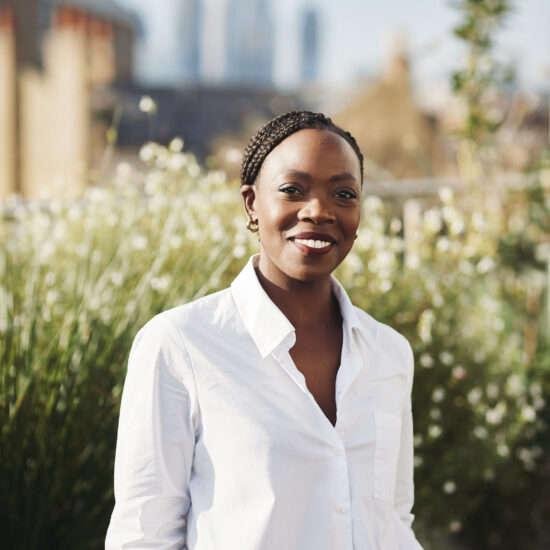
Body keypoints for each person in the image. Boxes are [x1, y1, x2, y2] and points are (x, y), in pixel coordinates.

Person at [105, 111, 424, 549]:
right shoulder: (180, 344)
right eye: (293, 190)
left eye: (344, 193)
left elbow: (393, 520)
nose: (318, 211)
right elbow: (143, 536)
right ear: (252, 203)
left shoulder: (389, 352)